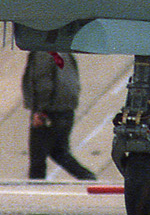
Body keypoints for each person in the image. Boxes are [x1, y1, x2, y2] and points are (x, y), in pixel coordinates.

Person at [22, 50, 97, 180]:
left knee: (38, 157)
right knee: (59, 152)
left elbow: (43, 83)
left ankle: (35, 192)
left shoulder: (42, 53)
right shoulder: (63, 51)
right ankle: (86, 177)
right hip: (65, 110)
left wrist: (39, 111)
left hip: (49, 111)